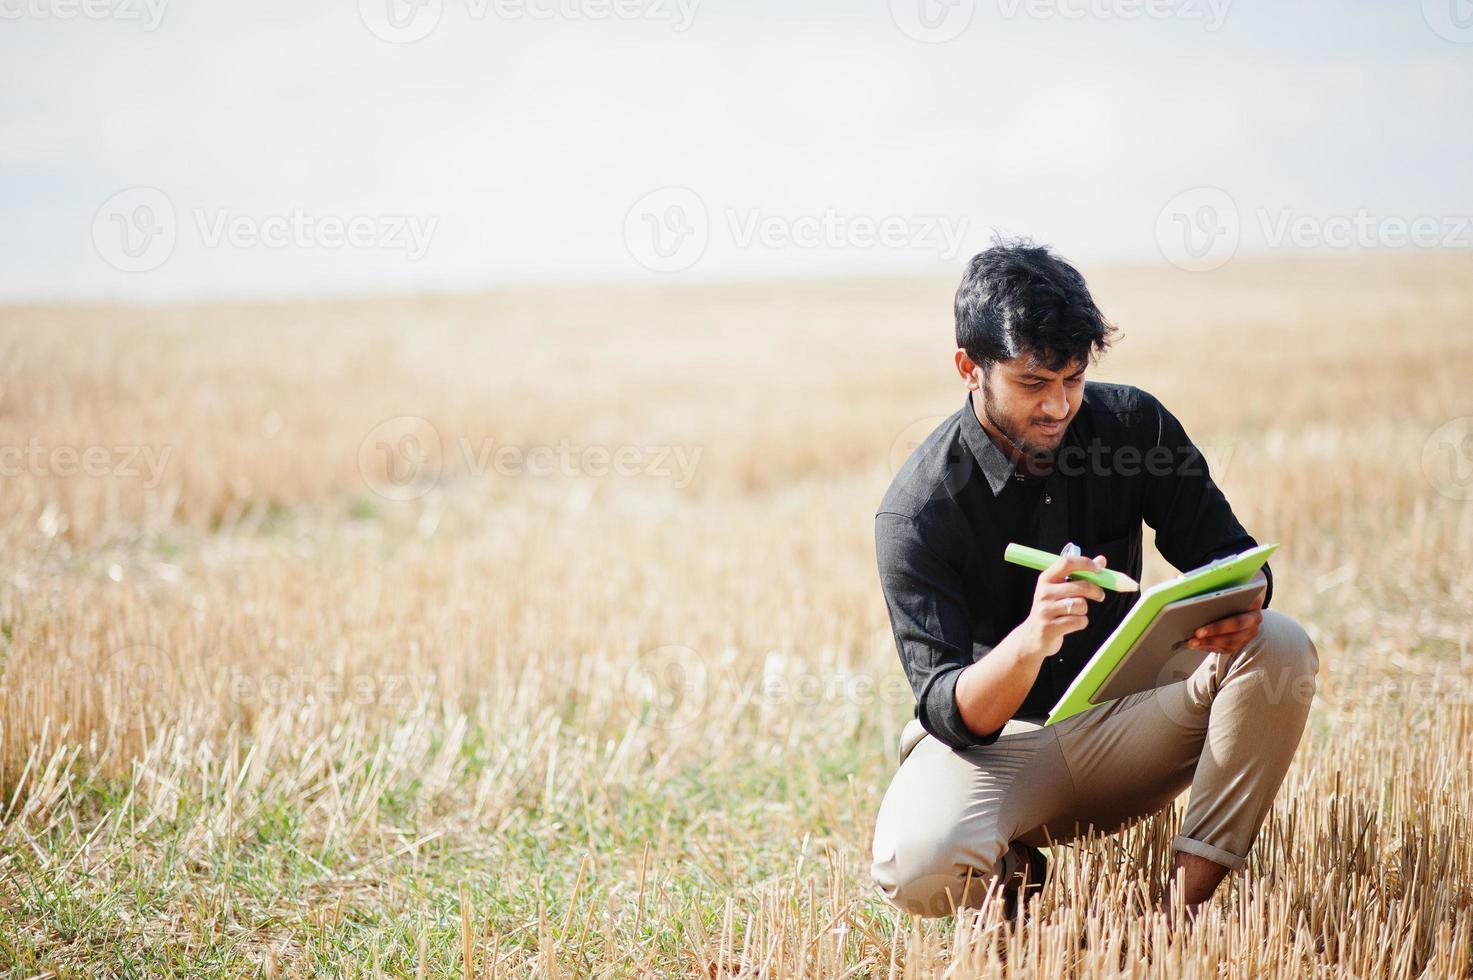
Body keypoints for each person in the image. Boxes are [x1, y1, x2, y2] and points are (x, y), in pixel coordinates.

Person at [869, 238, 1319, 921]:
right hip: (997, 751)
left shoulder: (1133, 425)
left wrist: (1244, 596)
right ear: (969, 368)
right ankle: (1011, 870)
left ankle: (1178, 917)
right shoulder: (917, 511)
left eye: (1071, 379)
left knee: (1278, 643)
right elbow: (951, 713)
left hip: (1128, 727)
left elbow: (1231, 556)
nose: (1057, 407)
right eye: (1031, 383)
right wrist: (1031, 639)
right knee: (917, 868)